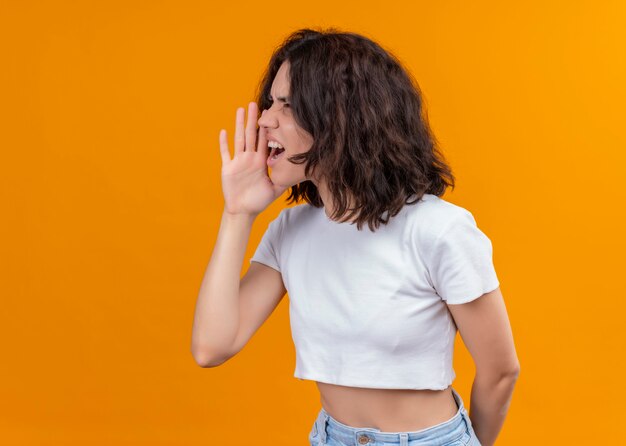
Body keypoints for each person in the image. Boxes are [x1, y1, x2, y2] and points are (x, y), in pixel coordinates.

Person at [191, 28, 520, 446]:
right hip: (330, 437)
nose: (265, 119)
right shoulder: (291, 232)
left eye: (288, 106)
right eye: (271, 101)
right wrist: (237, 213)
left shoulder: (439, 230)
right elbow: (211, 347)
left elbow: (500, 371)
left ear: (343, 117)